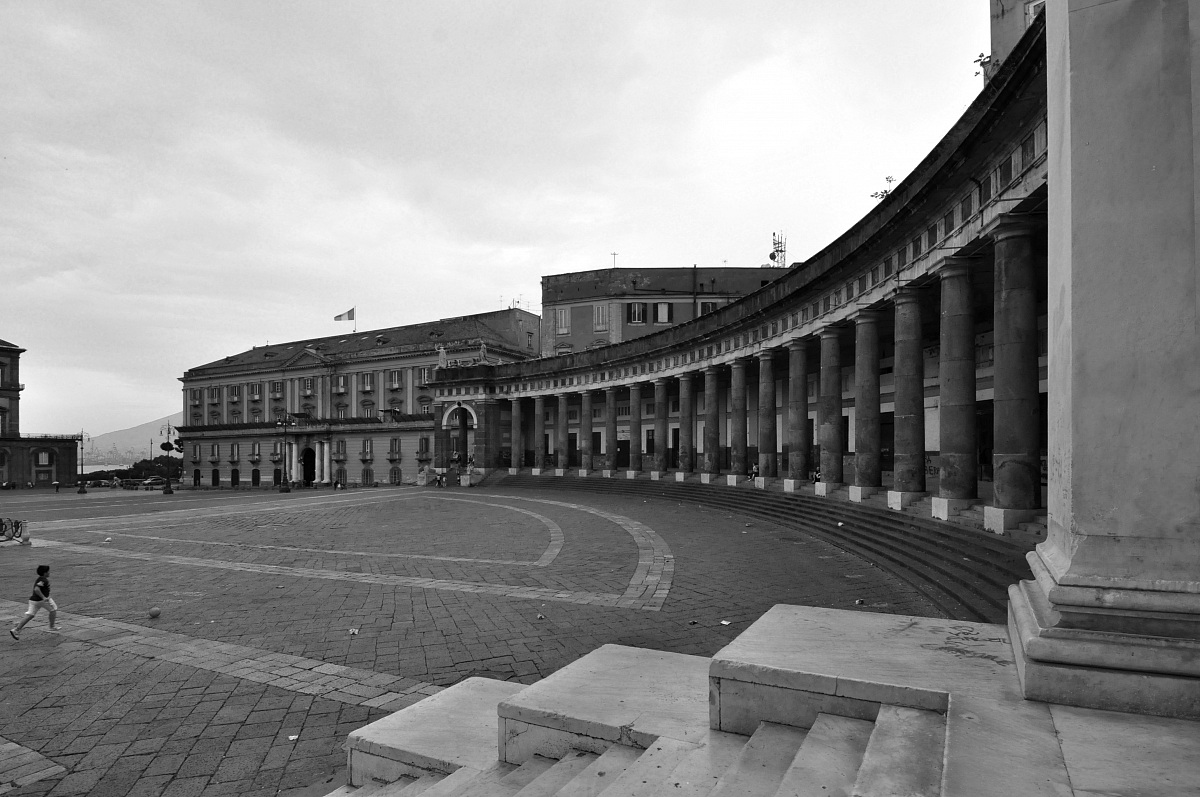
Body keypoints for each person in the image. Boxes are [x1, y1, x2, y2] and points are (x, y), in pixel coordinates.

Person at [10, 564, 59, 640]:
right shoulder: (43, 579)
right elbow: (37, 589)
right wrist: (44, 597)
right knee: (53, 610)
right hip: (41, 600)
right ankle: (52, 627)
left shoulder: (40, 579)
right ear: (45, 572)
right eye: (48, 571)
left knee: (30, 615)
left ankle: (16, 629)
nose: (49, 572)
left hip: (33, 600)